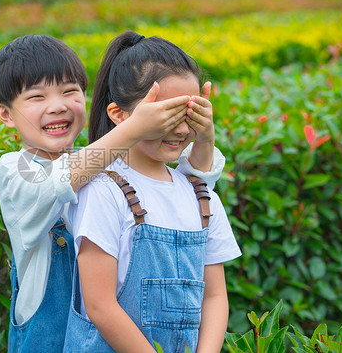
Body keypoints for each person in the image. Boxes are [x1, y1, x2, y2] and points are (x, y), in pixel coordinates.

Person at [0, 34, 226, 352]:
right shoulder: (16, 169)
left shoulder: (104, 168)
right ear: (5, 114)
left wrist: (203, 134)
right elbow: (61, 181)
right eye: (37, 97)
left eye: (70, 92)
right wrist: (136, 127)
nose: (58, 106)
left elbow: (190, 185)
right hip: (47, 341)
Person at [64, 31, 241, 353]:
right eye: (166, 114)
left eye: (190, 113)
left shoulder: (203, 197)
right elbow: (100, 305)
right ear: (120, 115)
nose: (182, 128)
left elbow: (215, 296)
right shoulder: (104, 190)